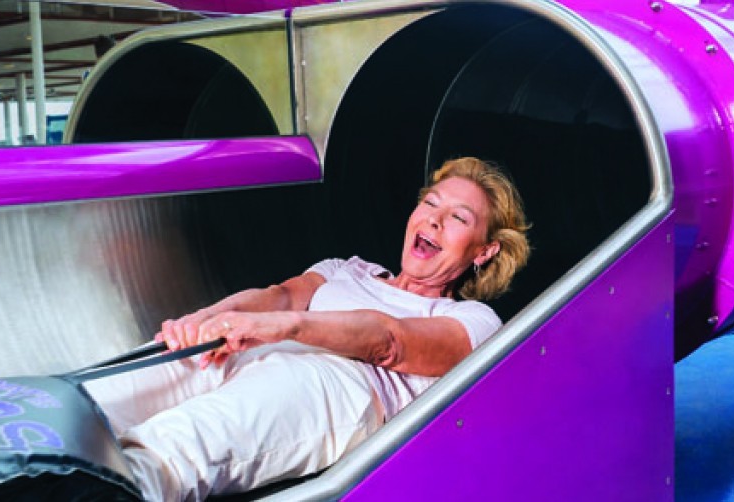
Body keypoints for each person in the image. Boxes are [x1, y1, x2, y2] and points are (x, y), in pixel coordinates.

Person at [83, 157, 530, 501]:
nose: (434, 219)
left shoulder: (476, 321)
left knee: (178, 442)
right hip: (265, 344)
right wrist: (206, 320)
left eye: (458, 218)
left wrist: (281, 327)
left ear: (484, 252)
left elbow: (388, 340)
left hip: (343, 386)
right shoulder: (348, 269)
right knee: (109, 393)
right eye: (431, 203)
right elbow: (278, 296)